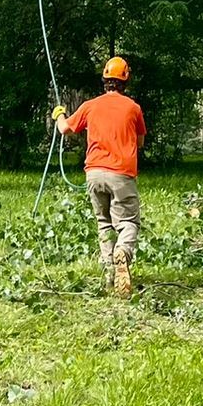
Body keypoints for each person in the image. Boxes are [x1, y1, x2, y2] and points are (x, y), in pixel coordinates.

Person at [54, 55, 146, 296]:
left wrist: (59, 114)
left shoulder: (90, 105)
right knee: (128, 222)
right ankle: (123, 252)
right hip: (122, 174)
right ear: (125, 81)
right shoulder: (133, 108)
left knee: (103, 223)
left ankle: (109, 276)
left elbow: (65, 129)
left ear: (105, 80)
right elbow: (140, 141)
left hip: (94, 173)